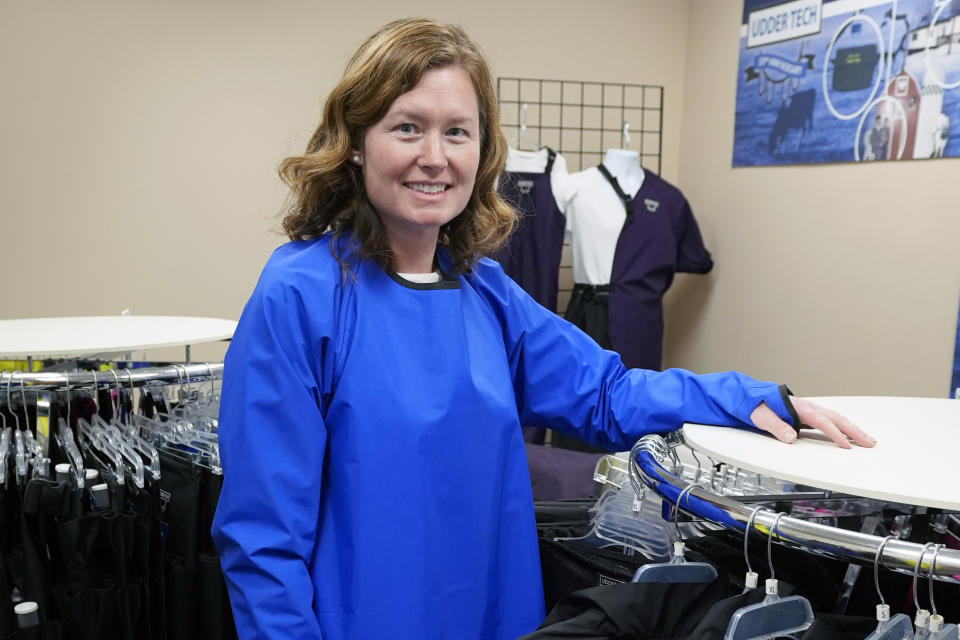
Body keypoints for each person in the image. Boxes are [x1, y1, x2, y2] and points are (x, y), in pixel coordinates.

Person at [211, 17, 875, 640]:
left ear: (483, 150)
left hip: (497, 612)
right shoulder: (300, 296)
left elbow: (605, 394)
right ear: (357, 143)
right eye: (407, 128)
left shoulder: (486, 292)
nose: (435, 157)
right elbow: (263, 538)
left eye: (457, 132)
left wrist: (747, 398)